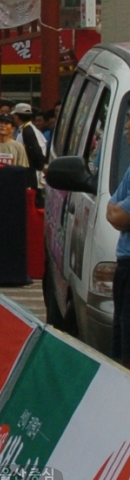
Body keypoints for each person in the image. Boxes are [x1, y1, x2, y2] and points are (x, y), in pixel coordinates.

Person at [103, 107, 130, 362]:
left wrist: (116, 211)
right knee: (121, 340)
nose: (126, 128)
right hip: (124, 266)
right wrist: (116, 211)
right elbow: (111, 208)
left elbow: (121, 215)